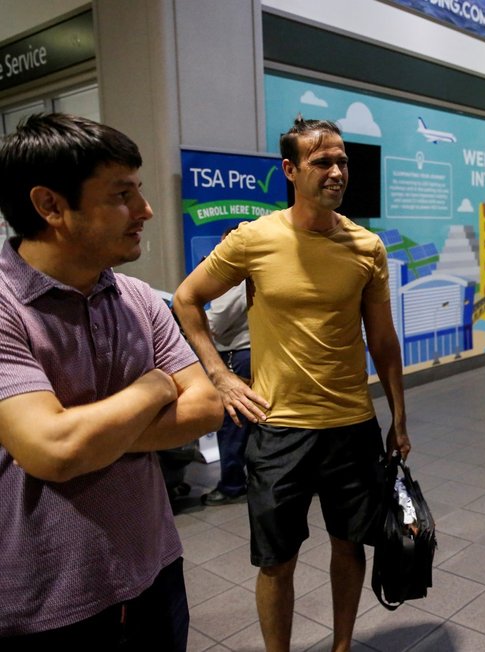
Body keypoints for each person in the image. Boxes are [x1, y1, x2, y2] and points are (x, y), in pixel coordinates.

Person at [172, 117, 409, 652]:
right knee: (276, 560)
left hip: (352, 425)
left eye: (342, 161)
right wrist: (220, 376)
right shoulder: (255, 239)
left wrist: (398, 415)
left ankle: (342, 646)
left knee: (350, 546)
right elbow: (187, 299)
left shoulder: (366, 246)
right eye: (322, 162)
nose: (336, 171)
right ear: (290, 169)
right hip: (278, 427)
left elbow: (383, 339)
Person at [0, 113, 223, 649]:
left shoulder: (138, 298)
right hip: (48, 601)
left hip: (153, 570)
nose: (145, 210)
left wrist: (92, 439)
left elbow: (207, 409)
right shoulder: (6, 306)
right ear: (50, 205)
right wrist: (153, 389)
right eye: (122, 195)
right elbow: (53, 451)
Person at [200, 224, 252, 506]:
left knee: (234, 423)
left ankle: (232, 485)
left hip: (238, 356)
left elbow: (216, 324)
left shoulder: (238, 279)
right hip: (255, 354)